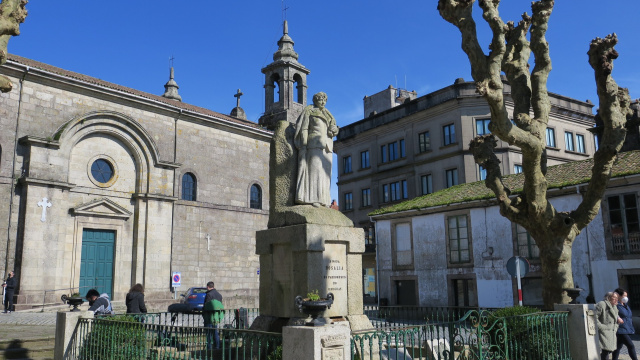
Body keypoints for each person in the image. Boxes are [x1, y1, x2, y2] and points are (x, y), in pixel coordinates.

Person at [294, 92, 339, 207]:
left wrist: (334, 130)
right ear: (315, 100)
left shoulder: (328, 113)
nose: (323, 102)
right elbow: (303, 128)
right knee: (315, 172)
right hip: (313, 143)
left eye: (324, 100)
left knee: (325, 174)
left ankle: (323, 200)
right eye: (320, 99)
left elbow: (334, 127)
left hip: (327, 146)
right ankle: (312, 198)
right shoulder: (309, 111)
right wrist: (303, 144)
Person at [596, 291, 623, 360]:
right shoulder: (602, 304)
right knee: (606, 350)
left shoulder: (614, 306)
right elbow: (594, 317)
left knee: (609, 350)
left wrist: (616, 326)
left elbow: (616, 317)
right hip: (604, 332)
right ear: (608, 298)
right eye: (614, 298)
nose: (616, 299)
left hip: (612, 332)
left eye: (617, 298)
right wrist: (602, 327)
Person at [613, 288, 637, 360]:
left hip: (627, 327)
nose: (625, 297)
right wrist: (617, 318)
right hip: (620, 329)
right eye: (624, 296)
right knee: (631, 345)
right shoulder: (615, 305)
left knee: (618, 347)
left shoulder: (625, 305)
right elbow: (613, 314)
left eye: (626, 296)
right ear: (618, 296)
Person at [202, 281, 223, 350]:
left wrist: (203, 312)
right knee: (215, 332)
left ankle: (209, 348)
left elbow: (207, 306)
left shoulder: (209, 295)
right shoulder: (219, 295)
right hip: (216, 317)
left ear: (208, 287)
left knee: (209, 334)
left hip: (209, 316)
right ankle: (217, 347)